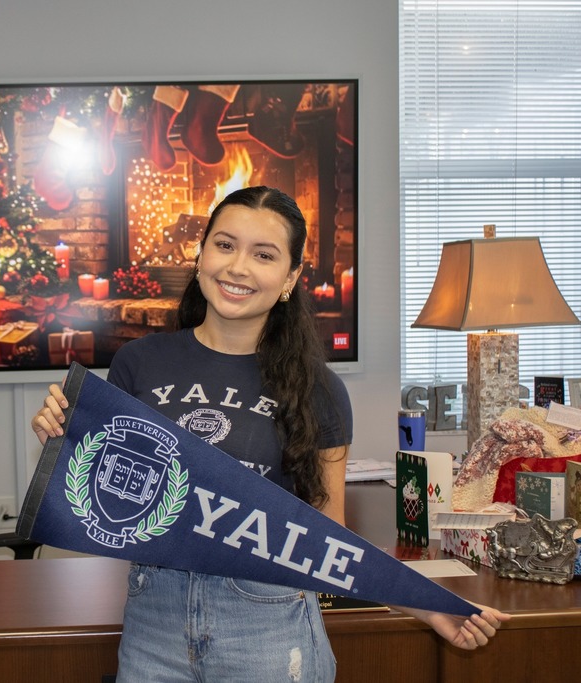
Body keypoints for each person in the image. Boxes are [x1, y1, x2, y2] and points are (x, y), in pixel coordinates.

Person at [32, 186, 509, 682]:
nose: (238, 267)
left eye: (264, 255)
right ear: (201, 256)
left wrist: (424, 605)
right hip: (154, 624)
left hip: (269, 628)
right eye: (224, 245)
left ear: (291, 277)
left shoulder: (318, 388)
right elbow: (110, 499)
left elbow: (332, 540)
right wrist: (63, 437)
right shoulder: (138, 363)